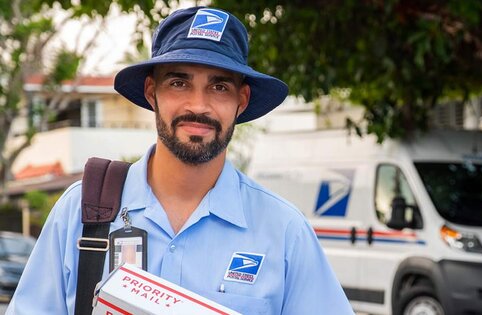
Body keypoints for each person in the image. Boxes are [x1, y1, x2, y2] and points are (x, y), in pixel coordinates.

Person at [7, 6, 353, 315]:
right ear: (151, 92)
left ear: (242, 101)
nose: (198, 105)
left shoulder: (284, 233)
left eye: (219, 87)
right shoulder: (80, 215)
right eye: (178, 83)